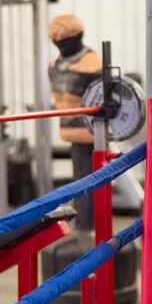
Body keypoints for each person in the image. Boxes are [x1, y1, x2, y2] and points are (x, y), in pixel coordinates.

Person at [48, 13, 102, 229]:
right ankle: (84, 227)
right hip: (71, 135)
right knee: (80, 184)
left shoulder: (93, 65)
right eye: (57, 41)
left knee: (88, 185)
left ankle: (86, 230)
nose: (61, 45)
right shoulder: (54, 66)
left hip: (91, 136)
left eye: (65, 41)